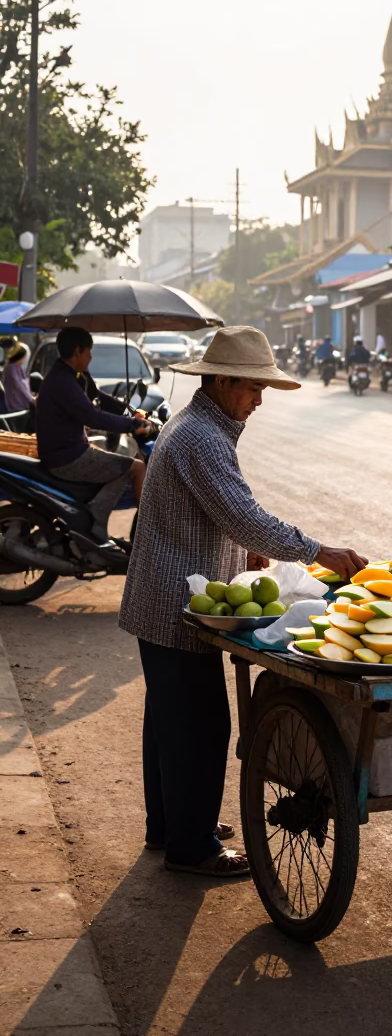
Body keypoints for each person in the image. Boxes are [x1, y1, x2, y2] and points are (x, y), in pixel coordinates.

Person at [119, 326, 366, 878]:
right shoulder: (202, 438)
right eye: (253, 389)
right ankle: (192, 846)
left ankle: (173, 825)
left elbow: (217, 515)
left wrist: (243, 551)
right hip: (174, 603)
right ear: (224, 380)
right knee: (201, 726)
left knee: (168, 722)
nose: (258, 401)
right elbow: (242, 513)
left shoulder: (198, 426)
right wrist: (316, 551)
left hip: (165, 597)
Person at [35, 327, 152, 544]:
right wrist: (131, 425)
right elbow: (92, 417)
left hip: (68, 451)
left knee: (117, 459)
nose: (90, 358)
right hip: (68, 457)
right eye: (88, 352)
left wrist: (128, 411)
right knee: (136, 467)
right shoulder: (63, 382)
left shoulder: (69, 376)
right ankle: (99, 519)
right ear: (77, 351)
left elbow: (96, 396)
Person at [2, 342, 32, 412]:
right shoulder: (11, 367)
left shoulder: (17, 367)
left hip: (20, 404)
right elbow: (19, 385)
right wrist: (30, 399)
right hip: (16, 406)